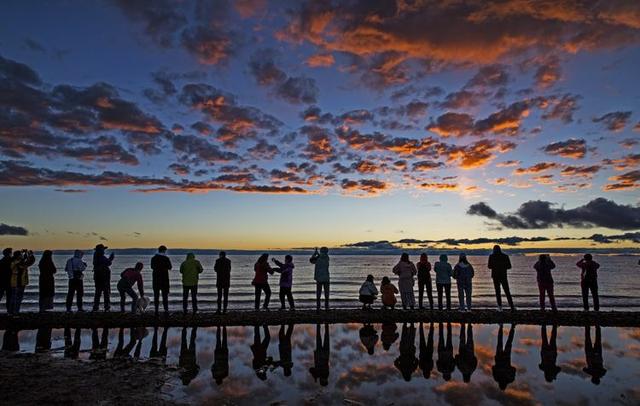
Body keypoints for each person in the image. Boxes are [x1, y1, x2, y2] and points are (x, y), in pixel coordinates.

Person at [488, 245, 515, 311]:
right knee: (507, 291)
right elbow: (509, 266)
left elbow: (489, 266)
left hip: (495, 276)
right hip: (503, 275)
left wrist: (495, 266)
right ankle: (512, 306)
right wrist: (502, 267)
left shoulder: (491, 256)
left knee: (498, 292)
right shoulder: (505, 256)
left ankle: (500, 307)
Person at [9, 250, 35, 314]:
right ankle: (14, 312)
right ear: (18, 256)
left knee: (15, 298)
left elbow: (29, 262)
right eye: (20, 254)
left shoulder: (16, 261)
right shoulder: (16, 262)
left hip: (17, 282)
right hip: (17, 282)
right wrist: (28, 255)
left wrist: (28, 255)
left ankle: (12, 311)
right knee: (16, 298)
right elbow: (27, 263)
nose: (22, 255)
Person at [492, 323, 516, 390]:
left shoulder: (510, 379)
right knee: (500, 341)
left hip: (506, 358)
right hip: (499, 358)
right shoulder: (497, 378)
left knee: (509, 342)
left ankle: (512, 327)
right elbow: (493, 368)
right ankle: (501, 327)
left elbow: (514, 369)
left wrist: (508, 368)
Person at [150, 245, 172, 314]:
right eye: (165, 251)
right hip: (164, 279)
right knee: (165, 296)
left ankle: (156, 310)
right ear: (164, 250)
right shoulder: (166, 258)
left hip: (156, 279)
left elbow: (152, 267)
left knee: (156, 296)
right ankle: (166, 309)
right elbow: (170, 267)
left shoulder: (153, 258)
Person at [92, 244, 114, 312]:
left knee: (98, 292)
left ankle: (96, 306)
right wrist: (111, 258)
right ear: (100, 250)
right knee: (106, 292)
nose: (104, 251)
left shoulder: (96, 256)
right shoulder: (101, 257)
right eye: (103, 249)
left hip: (98, 277)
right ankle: (106, 306)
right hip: (103, 277)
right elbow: (108, 263)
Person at [310, 247, 330, 311]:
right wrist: (317, 254)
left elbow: (311, 260)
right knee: (326, 294)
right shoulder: (327, 258)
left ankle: (318, 307)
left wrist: (315, 253)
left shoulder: (318, 258)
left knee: (318, 293)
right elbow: (320, 257)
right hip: (326, 278)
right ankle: (326, 307)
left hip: (319, 278)